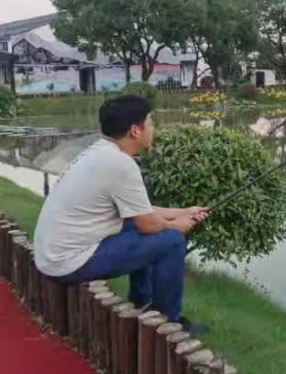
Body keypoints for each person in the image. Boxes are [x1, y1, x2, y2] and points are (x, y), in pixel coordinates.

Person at [33, 95, 209, 329]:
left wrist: (182, 212)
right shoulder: (121, 164)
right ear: (135, 130)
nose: (154, 128)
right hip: (66, 263)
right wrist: (177, 226)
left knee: (138, 228)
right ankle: (169, 323)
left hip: (51, 257)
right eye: (151, 122)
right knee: (172, 241)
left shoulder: (100, 152)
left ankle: (142, 304)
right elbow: (148, 224)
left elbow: (140, 213)